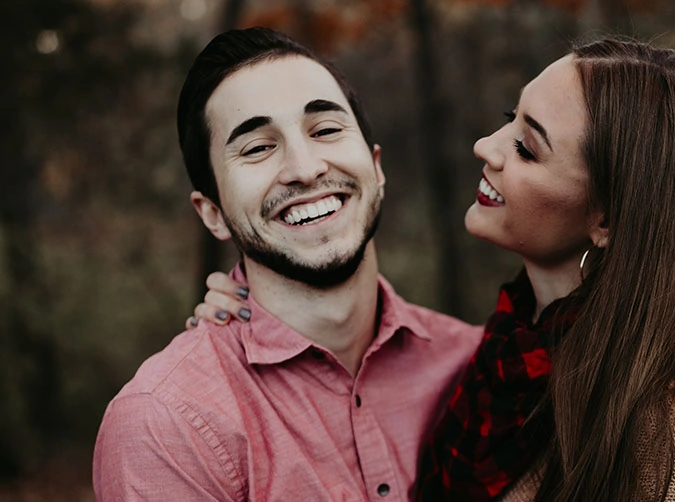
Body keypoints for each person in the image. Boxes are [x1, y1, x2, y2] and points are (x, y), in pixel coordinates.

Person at [196, 39, 675, 501]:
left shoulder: (674, 437)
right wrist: (258, 312)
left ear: (607, 218)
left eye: (527, 147)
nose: (486, 145)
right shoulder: (504, 360)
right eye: (510, 117)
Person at [91, 27, 483, 501]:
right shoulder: (168, 422)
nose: (305, 167)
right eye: (257, 147)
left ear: (376, 168)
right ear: (212, 212)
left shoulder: (478, 367)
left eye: (326, 130)